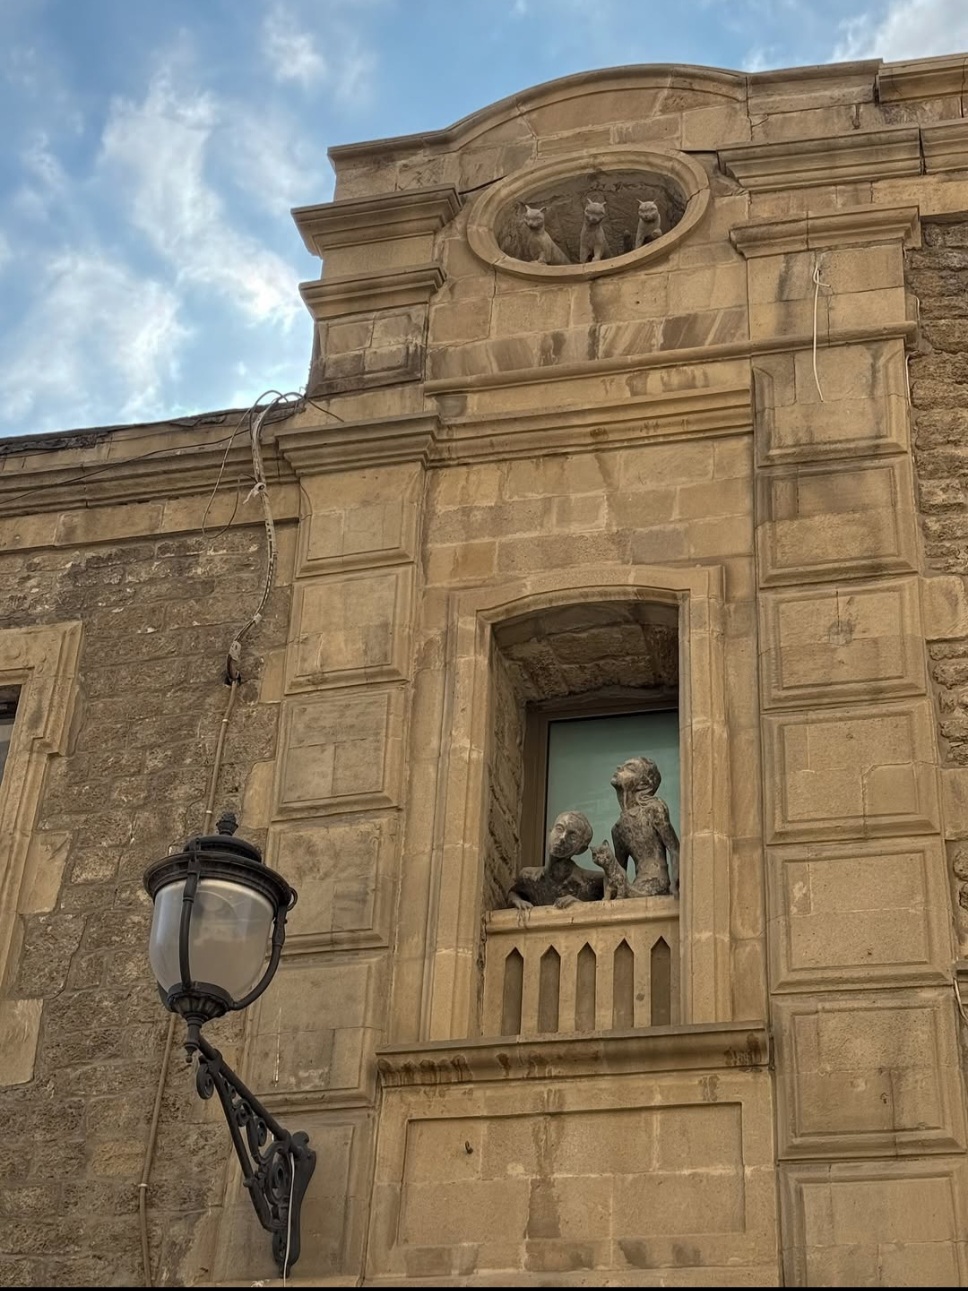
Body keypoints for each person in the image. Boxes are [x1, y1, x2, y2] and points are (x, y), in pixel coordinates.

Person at [506, 810, 604, 909]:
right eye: (559, 829)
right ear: (550, 831)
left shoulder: (593, 882)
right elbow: (514, 893)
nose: (562, 838)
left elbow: (608, 905)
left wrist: (582, 905)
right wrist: (515, 900)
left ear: (581, 849)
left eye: (572, 836)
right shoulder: (528, 877)